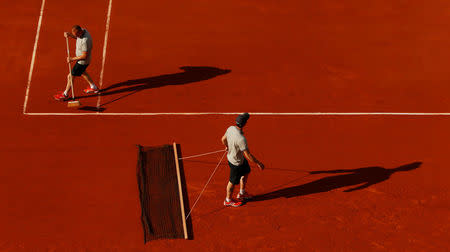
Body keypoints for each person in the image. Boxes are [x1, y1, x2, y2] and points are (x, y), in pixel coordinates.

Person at [221, 112, 264, 207]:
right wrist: (258, 163)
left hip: (241, 160)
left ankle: (242, 193)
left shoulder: (230, 128)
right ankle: (228, 200)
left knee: (246, 172)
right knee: (232, 182)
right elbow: (248, 155)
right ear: (244, 124)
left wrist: (227, 146)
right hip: (235, 163)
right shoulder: (241, 139)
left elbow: (223, 139)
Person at [54, 25, 99, 101]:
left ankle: (65, 94)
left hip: (82, 61)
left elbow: (84, 56)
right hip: (83, 60)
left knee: (70, 76)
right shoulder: (83, 31)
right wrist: (70, 35)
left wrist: (72, 59)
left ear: (80, 32)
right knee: (83, 72)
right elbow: (77, 37)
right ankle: (93, 87)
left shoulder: (85, 41)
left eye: (76, 35)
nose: (76, 36)